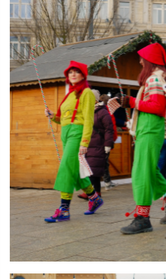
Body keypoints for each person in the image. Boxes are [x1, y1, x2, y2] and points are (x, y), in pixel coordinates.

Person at [119, 43, 166, 234]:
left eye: (142, 59)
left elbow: (157, 107)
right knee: (151, 171)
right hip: (148, 130)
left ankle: (143, 218)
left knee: (141, 172)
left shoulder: (154, 79)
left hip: (149, 130)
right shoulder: (158, 78)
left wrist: (132, 102)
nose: (140, 62)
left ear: (150, 61)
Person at [44, 61, 103, 222]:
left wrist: (84, 142)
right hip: (66, 133)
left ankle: (64, 209)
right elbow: (64, 119)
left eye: (77, 72)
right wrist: (53, 116)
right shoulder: (70, 94)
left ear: (83, 75)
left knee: (66, 168)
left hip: (77, 134)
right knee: (74, 170)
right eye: (70, 72)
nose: (73, 75)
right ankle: (94, 198)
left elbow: (88, 120)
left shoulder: (87, 93)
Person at [84, 90, 115, 200]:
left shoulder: (102, 112)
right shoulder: (87, 111)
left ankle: (91, 192)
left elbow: (109, 129)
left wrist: (108, 144)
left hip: (98, 145)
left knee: (93, 169)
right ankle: (96, 192)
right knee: (91, 169)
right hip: (89, 145)